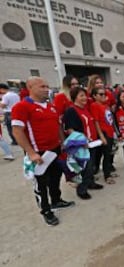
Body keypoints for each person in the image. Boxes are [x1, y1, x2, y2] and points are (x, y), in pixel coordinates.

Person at [11, 77, 75, 226]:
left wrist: (63, 142)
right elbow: (17, 131)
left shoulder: (51, 106)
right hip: (38, 153)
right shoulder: (22, 107)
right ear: (30, 87)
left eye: (47, 86)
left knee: (55, 178)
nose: (47, 89)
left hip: (55, 150)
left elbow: (58, 126)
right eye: (42, 86)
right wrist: (31, 153)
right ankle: (46, 211)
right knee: (41, 184)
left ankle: (56, 200)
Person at [63, 87, 104, 199]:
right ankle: (82, 189)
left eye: (85, 95)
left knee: (91, 166)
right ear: (74, 97)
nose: (84, 98)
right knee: (85, 167)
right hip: (82, 145)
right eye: (81, 95)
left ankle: (90, 183)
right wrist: (82, 141)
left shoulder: (85, 109)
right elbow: (70, 129)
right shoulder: (71, 110)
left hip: (92, 143)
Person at [90, 87, 117, 184]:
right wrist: (101, 135)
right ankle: (107, 175)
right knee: (105, 155)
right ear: (94, 96)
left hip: (110, 132)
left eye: (104, 94)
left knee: (109, 154)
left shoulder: (105, 105)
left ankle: (107, 171)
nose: (103, 96)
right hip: (103, 133)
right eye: (100, 94)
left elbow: (110, 120)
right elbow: (96, 121)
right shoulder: (94, 105)